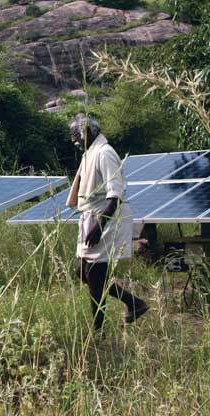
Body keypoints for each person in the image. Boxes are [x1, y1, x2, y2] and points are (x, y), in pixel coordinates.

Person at [65, 113, 149, 330]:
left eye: (76, 135)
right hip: (92, 218)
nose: (73, 140)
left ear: (87, 133)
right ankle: (134, 303)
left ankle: (98, 331)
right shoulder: (89, 154)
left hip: (106, 218)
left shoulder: (105, 153)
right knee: (83, 273)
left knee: (94, 276)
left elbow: (115, 195)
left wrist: (99, 226)